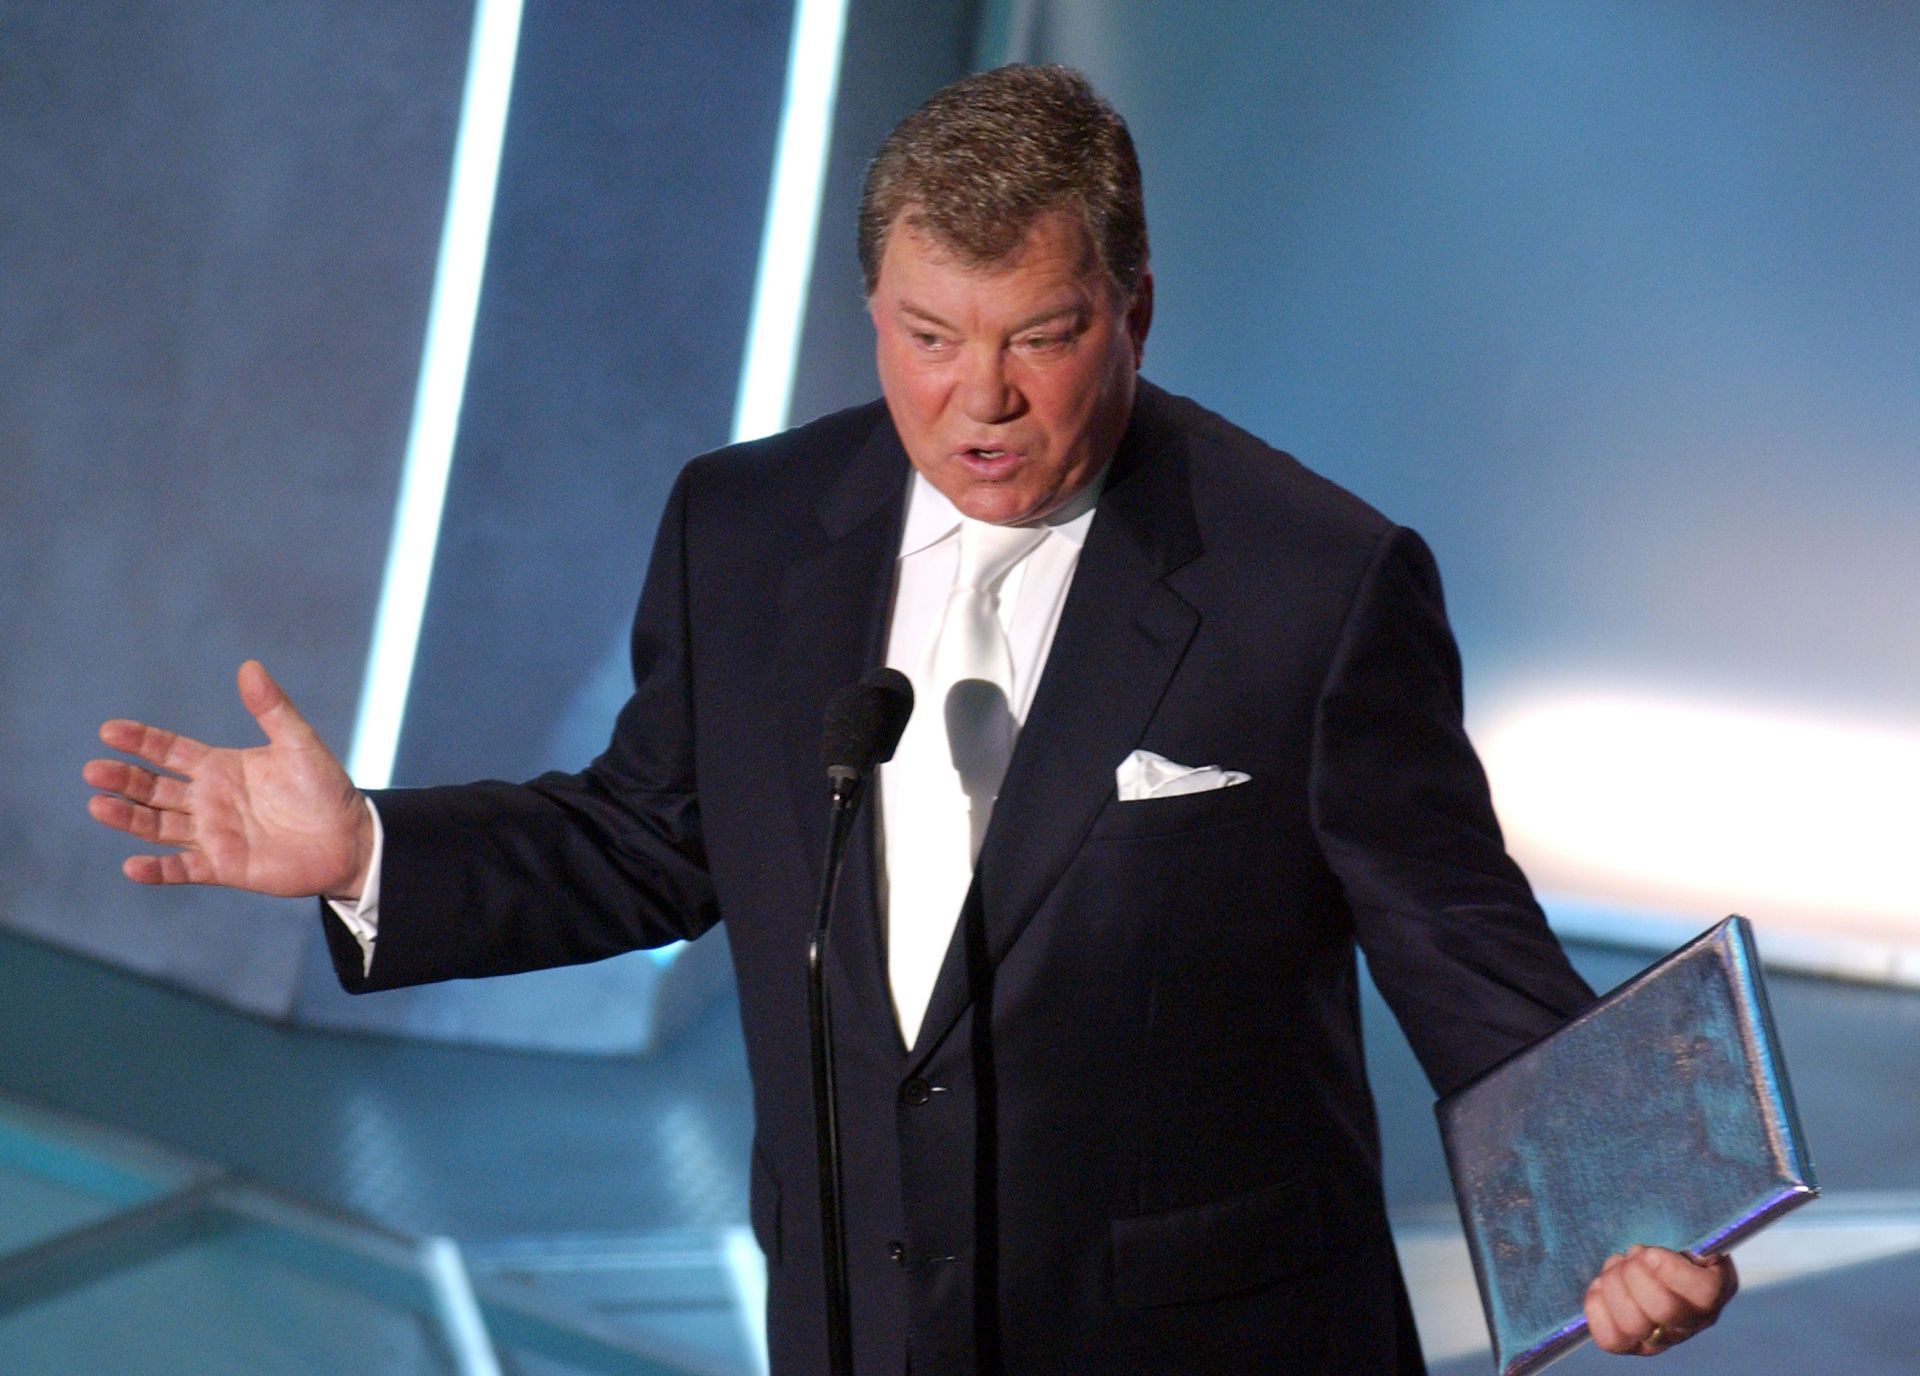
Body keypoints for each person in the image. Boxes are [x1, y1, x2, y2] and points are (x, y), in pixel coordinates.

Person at [85, 64, 1735, 1375]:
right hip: (859, 1327)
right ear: (870, 307)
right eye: (929, 337)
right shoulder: (743, 530)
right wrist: (365, 845)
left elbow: (1460, 942)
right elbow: (650, 835)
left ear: (1134, 311)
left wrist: (1621, 1215)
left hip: (1206, 1343)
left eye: (1042, 336)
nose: (981, 400)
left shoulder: (1318, 582)